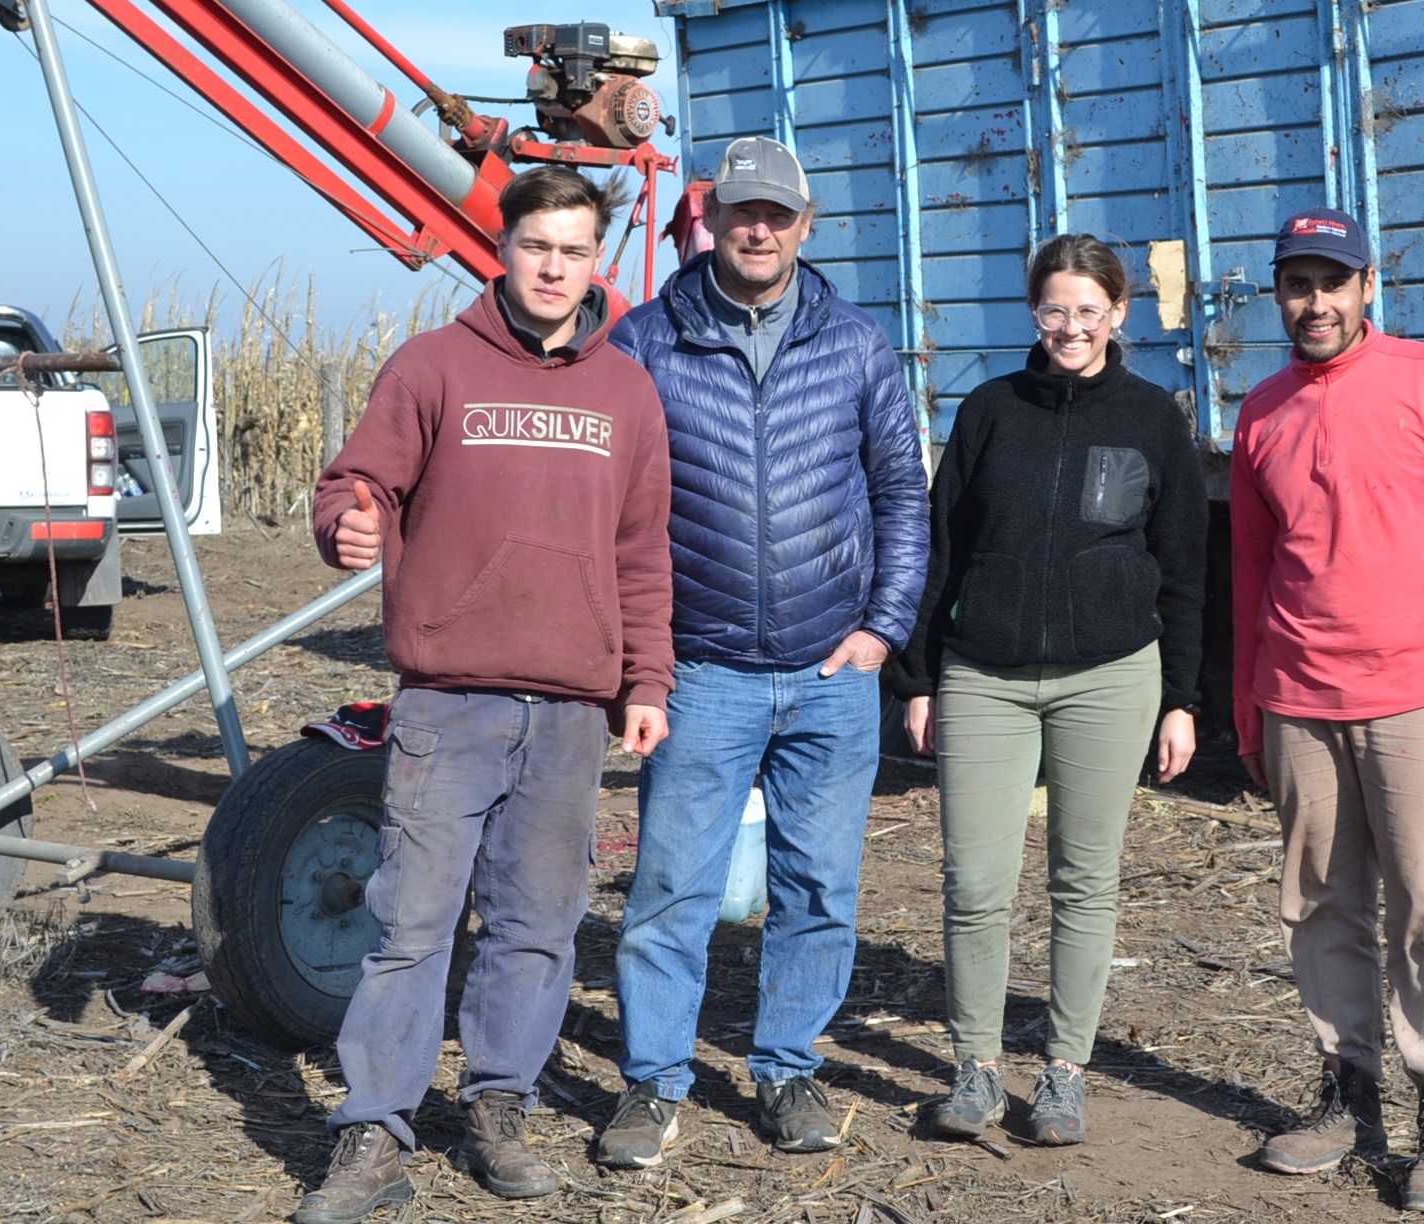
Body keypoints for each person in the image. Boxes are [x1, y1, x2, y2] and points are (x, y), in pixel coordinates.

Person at [293, 166, 675, 1224]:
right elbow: (349, 488)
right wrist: (349, 527)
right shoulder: (432, 370)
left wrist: (646, 678)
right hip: (447, 703)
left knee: (536, 927)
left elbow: (644, 553)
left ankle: (498, 1107)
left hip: (568, 714)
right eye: (536, 246)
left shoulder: (626, 392)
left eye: (575, 250)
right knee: (410, 924)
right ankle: (373, 1131)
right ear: (501, 250)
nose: (555, 268)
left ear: (596, 260)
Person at [592, 135, 929, 1167]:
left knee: (819, 890)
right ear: (710, 218)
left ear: (805, 225)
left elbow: (901, 497)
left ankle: (787, 1068)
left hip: (832, 675)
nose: (759, 229)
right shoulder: (647, 344)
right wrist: (642, 661)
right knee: (671, 892)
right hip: (703, 673)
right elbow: (611, 513)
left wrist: (883, 629)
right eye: (743, 211)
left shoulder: (857, 344)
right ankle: (652, 1085)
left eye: (779, 215)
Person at [888, 234, 1208, 1146]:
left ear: (1119, 314)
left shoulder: (1152, 418)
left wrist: (1181, 697)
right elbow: (940, 548)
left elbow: (1184, 566)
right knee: (974, 882)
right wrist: (919, 677)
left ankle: (1064, 1071)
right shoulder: (990, 410)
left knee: (1084, 880)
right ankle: (976, 1068)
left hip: (1110, 679)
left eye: (1088, 310)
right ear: (1034, 313)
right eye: (1053, 310)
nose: (1071, 327)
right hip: (984, 675)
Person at [1230, 207, 1424, 1214]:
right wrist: (1248, 705)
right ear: (1279, 294)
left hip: (1417, 693)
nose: (1314, 303)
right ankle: (1348, 1096)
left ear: (1366, 289)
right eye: (1296, 285)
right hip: (1299, 695)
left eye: (1332, 283)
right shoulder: (1262, 410)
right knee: (1319, 902)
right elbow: (1253, 572)